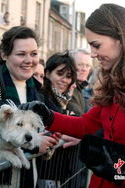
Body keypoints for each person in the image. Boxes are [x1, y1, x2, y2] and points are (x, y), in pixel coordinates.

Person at [19, 3, 125, 188]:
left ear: (120, 38)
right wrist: (46, 116)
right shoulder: (118, 77)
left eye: (96, 45)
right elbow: (87, 124)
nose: (93, 54)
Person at [0, 26, 59, 188]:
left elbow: (55, 119)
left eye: (33, 54)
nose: (29, 60)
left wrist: (49, 137)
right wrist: (34, 145)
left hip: (29, 177)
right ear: (4, 55)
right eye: (21, 54)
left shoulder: (40, 89)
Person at [36, 51, 84, 188]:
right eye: (59, 74)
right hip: (45, 172)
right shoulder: (40, 98)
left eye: (68, 76)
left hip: (67, 173)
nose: (64, 80)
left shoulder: (68, 101)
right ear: (47, 73)